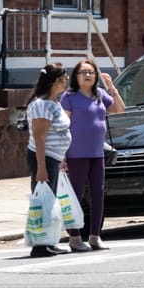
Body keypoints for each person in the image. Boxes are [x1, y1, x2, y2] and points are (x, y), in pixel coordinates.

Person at [61, 58, 125, 252]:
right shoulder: (69, 97)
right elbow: (63, 127)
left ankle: (95, 236)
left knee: (98, 194)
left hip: (97, 153)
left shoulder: (100, 94)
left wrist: (111, 86)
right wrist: (62, 156)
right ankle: (74, 237)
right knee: (77, 195)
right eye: (83, 72)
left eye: (91, 72)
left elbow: (119, 110)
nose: (88, 75)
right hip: (76, 153)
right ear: (76, 76)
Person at [26, 62, 71, 258]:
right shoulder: (42, 105)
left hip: (54, 158)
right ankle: (40, 244)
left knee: (50, 201)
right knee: (44, 201)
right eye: (64, 79)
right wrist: (41, 168)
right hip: (43, 158)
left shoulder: (54, 103)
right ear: (55, 82)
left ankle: (49, 241)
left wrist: (61, 158)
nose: (66, 82)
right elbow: (39, 137)